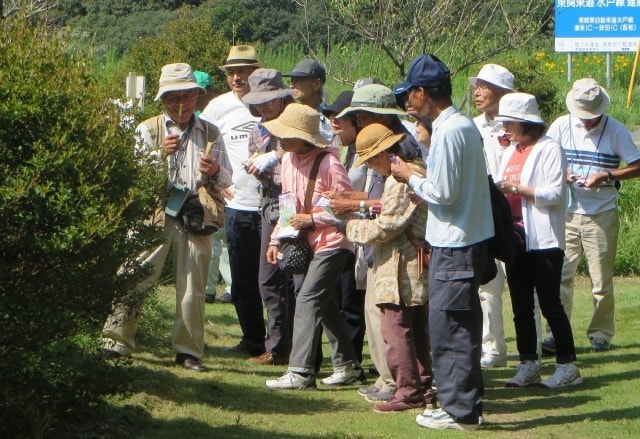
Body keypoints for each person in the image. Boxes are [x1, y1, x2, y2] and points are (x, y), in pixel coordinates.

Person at [101, 63, 230, 372]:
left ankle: (188, 351)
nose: (181, 104)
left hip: (195, 213)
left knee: (193, 286)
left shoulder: (211, 131)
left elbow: (226, 179)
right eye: (174, 97)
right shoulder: (148, 129)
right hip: (153, 212)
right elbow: (133, 177)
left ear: (197, 97)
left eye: (187, 96)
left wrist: (214, 170)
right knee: (133, 277)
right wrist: (158, 154)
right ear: (163, 100)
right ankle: (115, 342)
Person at [391, 54, 492, 431]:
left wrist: (408, 177)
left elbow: (444, 193)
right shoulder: (465, 125)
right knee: (460, 327)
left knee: (449, 330)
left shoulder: (449, 130)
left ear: (422, 92)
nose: (407, 104)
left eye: (409, 95)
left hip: (455, 245)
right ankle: (466, 407)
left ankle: (458, 411)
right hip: (468, 239)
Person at [262, 103, 363, 390]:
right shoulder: (288, 160)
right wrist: (275, 239)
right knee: (326, 304)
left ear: (305, 137)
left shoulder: (330, 163)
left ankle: (301, 372)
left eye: (286, 134)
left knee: (307, 299)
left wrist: (313, 218)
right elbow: (286, 203)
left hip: (334, 242)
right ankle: (348, 367)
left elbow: (347, 208)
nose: (280, 139)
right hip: (306, 242)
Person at [494, 92, 582, 388]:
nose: (504, 126)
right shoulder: (510, 151)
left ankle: (568, 365)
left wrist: (515, 188)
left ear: (525, 122)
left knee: (549, 304)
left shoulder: (549, 148)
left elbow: (554, 194)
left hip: (544, 240)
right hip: (516, 238)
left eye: (509, 121)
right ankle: (528, 363)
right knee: (520, 305)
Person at [545, 78, 640, 353]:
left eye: (592, 116)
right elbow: (545, 157)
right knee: (561, 276)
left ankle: (600, 334)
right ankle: (555, 334)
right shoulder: (562, 125)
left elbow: (637, 164)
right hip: (566, 212)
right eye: (583, 115)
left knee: (601, 280)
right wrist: (564, 174)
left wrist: (607, 175)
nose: (587, 121)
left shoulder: (615, 130)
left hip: (602, 213)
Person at [346, 123, 432, 413]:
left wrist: (349, 227)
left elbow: (389, 225)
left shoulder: (400, 180)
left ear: (385, 153)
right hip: (407, 263)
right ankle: (423, 386)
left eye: (371, 159)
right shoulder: (409, 174)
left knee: (396, 330)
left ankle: (409, 391)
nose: (370, 166)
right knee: (414, 329)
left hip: (400, 267)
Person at [200, 45, 266, 356]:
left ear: (256, 71)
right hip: (238, 204)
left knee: (278, 280)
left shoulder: (272, 101)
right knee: (241, 279)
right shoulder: (216, 108)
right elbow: (207, 151)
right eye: (231, 72)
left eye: (244, 71)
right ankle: (253, 339)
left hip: (273, 204)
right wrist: (216, 182)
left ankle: (286, 342)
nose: (237, 77)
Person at [241, 68, 295, 365]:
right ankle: (279, 346)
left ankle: (288, 348)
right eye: (259, 101)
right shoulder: (258, 129)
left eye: (269, 99)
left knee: (286, 276)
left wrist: (275, 156)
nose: (264, 106)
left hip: (291, 203)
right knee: (270, 278)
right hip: (269, 204)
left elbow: (313, 149)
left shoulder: (296, 121)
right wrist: (255, 165)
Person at [469, 63, 516, 369]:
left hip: (517, 213)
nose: (477, 92)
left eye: (484, 87)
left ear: (502, 93)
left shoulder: (516, 126)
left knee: (525, 286)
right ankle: (493, 348)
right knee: (488, 285)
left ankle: (531, 347)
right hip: (485, 213)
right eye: (477, 87)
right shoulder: (471, 126)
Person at [336, 83, 425, 162]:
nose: (359, 124)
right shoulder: (382, 141)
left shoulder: (402, 145)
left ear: (381, 116)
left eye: (362, 118)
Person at [283, 59, 332, 141]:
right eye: (291, 80)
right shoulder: (292, 115)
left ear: (316, 84)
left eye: (297, 80)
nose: (291, 85)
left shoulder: (330, 119)